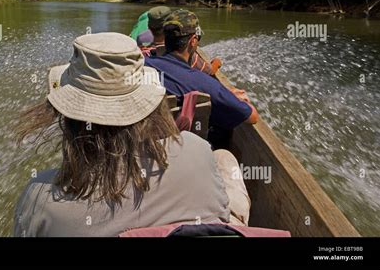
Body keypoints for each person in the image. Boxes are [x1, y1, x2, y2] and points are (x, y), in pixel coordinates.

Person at [13, 32, 250, 236]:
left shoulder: (40, 199)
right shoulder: (196, 149)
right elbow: (219, 218)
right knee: (223, 158)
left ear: (67, 116)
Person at [145, 10, 259, 149]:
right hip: (182, 151)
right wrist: (232, 97)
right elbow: (252, 116)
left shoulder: (143, 65)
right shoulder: (205, 84)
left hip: (145, 145)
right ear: (193, 41)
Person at [131, 6, 222, 75]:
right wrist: (217, 62)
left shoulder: (142, 55)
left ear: (149, 28)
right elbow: (209, 71)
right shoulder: (187, 56)